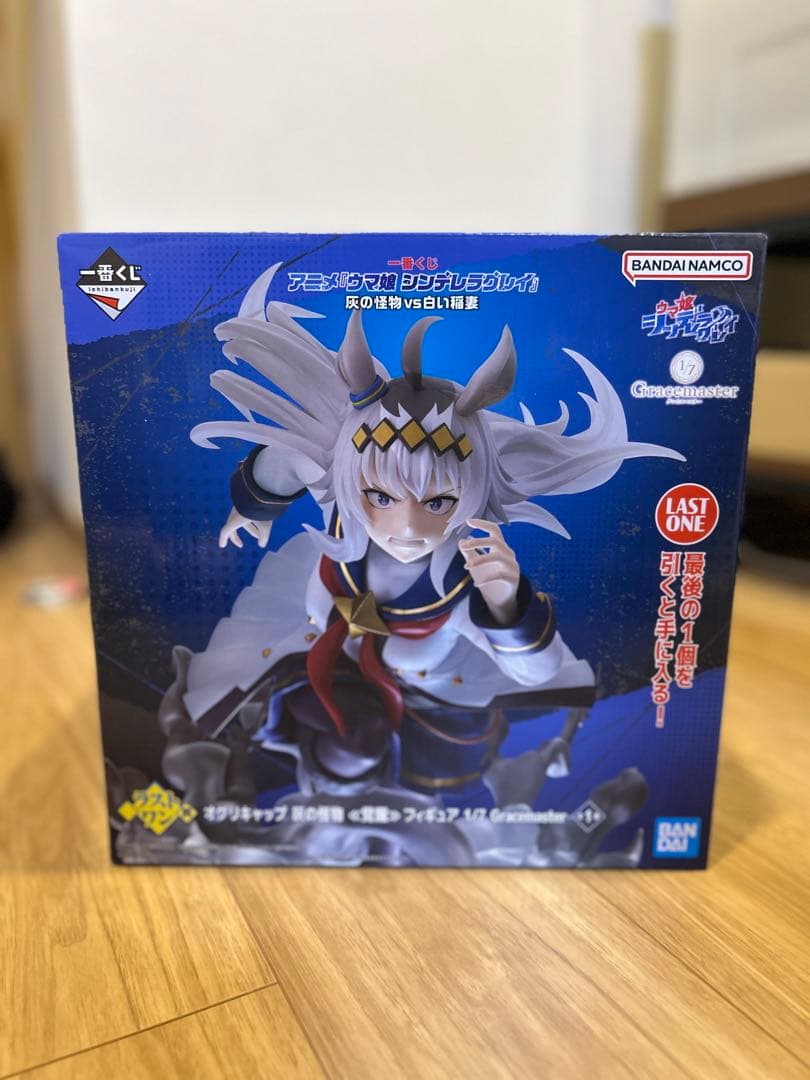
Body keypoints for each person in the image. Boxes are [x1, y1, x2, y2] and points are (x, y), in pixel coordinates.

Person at [159, 264, 683, 809]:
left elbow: (537, 669)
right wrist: (253, 507)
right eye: (381, 497)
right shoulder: (341, 490)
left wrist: (506, 604)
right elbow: (290, 460)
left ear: (473, 492)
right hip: (311, 628)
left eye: (438, 502)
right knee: (221, 696)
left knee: (435, 757)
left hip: (426, 683)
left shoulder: (464, 577)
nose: (407, 529)